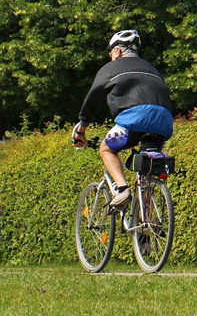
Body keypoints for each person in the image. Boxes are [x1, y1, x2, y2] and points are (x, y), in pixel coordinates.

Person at [71, 29, 174, 209]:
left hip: (135, 119)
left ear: (117, 51)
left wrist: (81, 129)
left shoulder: (112, 67)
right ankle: (145, 232)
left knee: (106, 150)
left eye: (111, 52)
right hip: (163, 121)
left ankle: (122, 189)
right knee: (147, 172)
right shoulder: (151, 68)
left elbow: (92, 99)